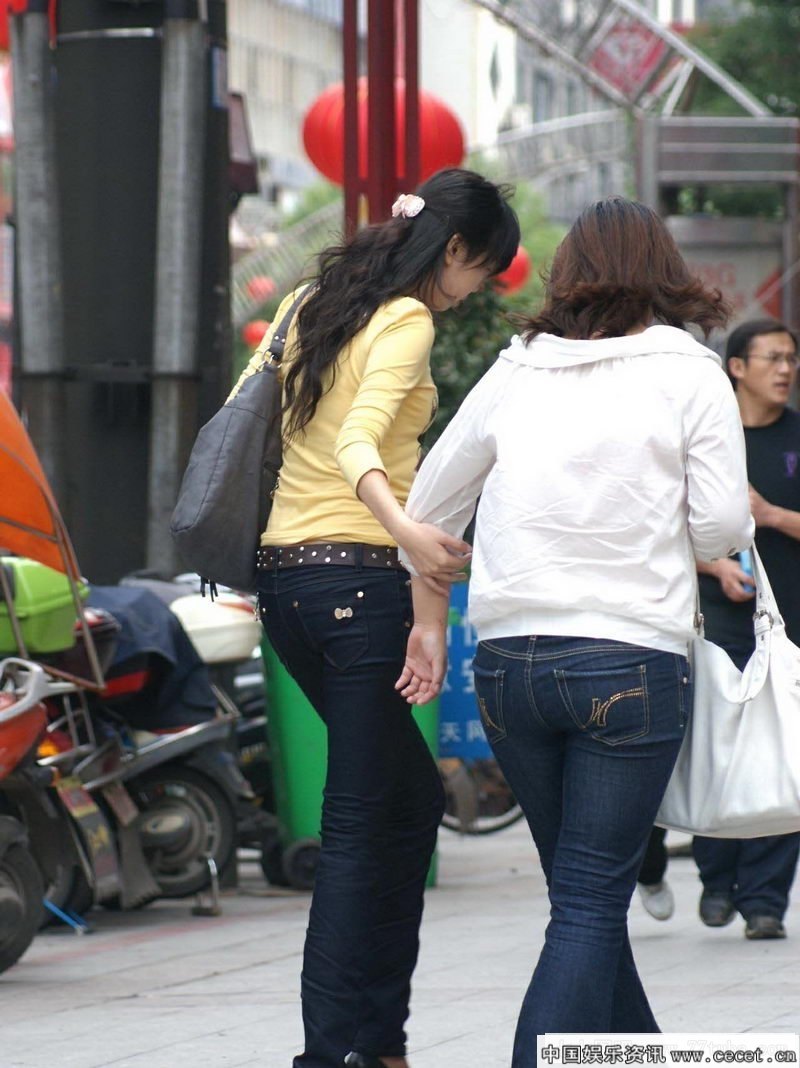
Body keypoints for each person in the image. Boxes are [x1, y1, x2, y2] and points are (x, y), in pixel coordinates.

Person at [394, 196, 754, 1065]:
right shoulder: (690, 370)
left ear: (567, 274)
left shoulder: (520, 368)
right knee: (590, 903)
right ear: (663, 267)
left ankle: (642, 1055)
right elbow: (718, 527)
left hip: (509, 662)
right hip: (629, 657)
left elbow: (428, 504)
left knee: (580, 897)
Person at [237, 168, 519, 1068]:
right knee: (362, 825)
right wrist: (406, 532)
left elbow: (258, 420)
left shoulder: (313, 301)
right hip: (356, 585)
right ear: (457, 248)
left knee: (408, 799)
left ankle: (381, 1042)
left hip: (286, 587)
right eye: (482, 270)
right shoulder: (406, 320)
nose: (473, 289)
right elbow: (360, 441)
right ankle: (330, 1055)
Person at [693, 318, 800, 941]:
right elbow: (669, 520)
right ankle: (716, 875)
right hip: (718, 619)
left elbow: (767, 517)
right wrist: (714, 565)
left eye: (791, 359)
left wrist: (773, 516)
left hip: (793, 623)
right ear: (737, 367)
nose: (785, 370)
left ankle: (765, 901)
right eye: (773, 358)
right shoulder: (709, 437)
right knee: (720, 746)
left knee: (785, 751)